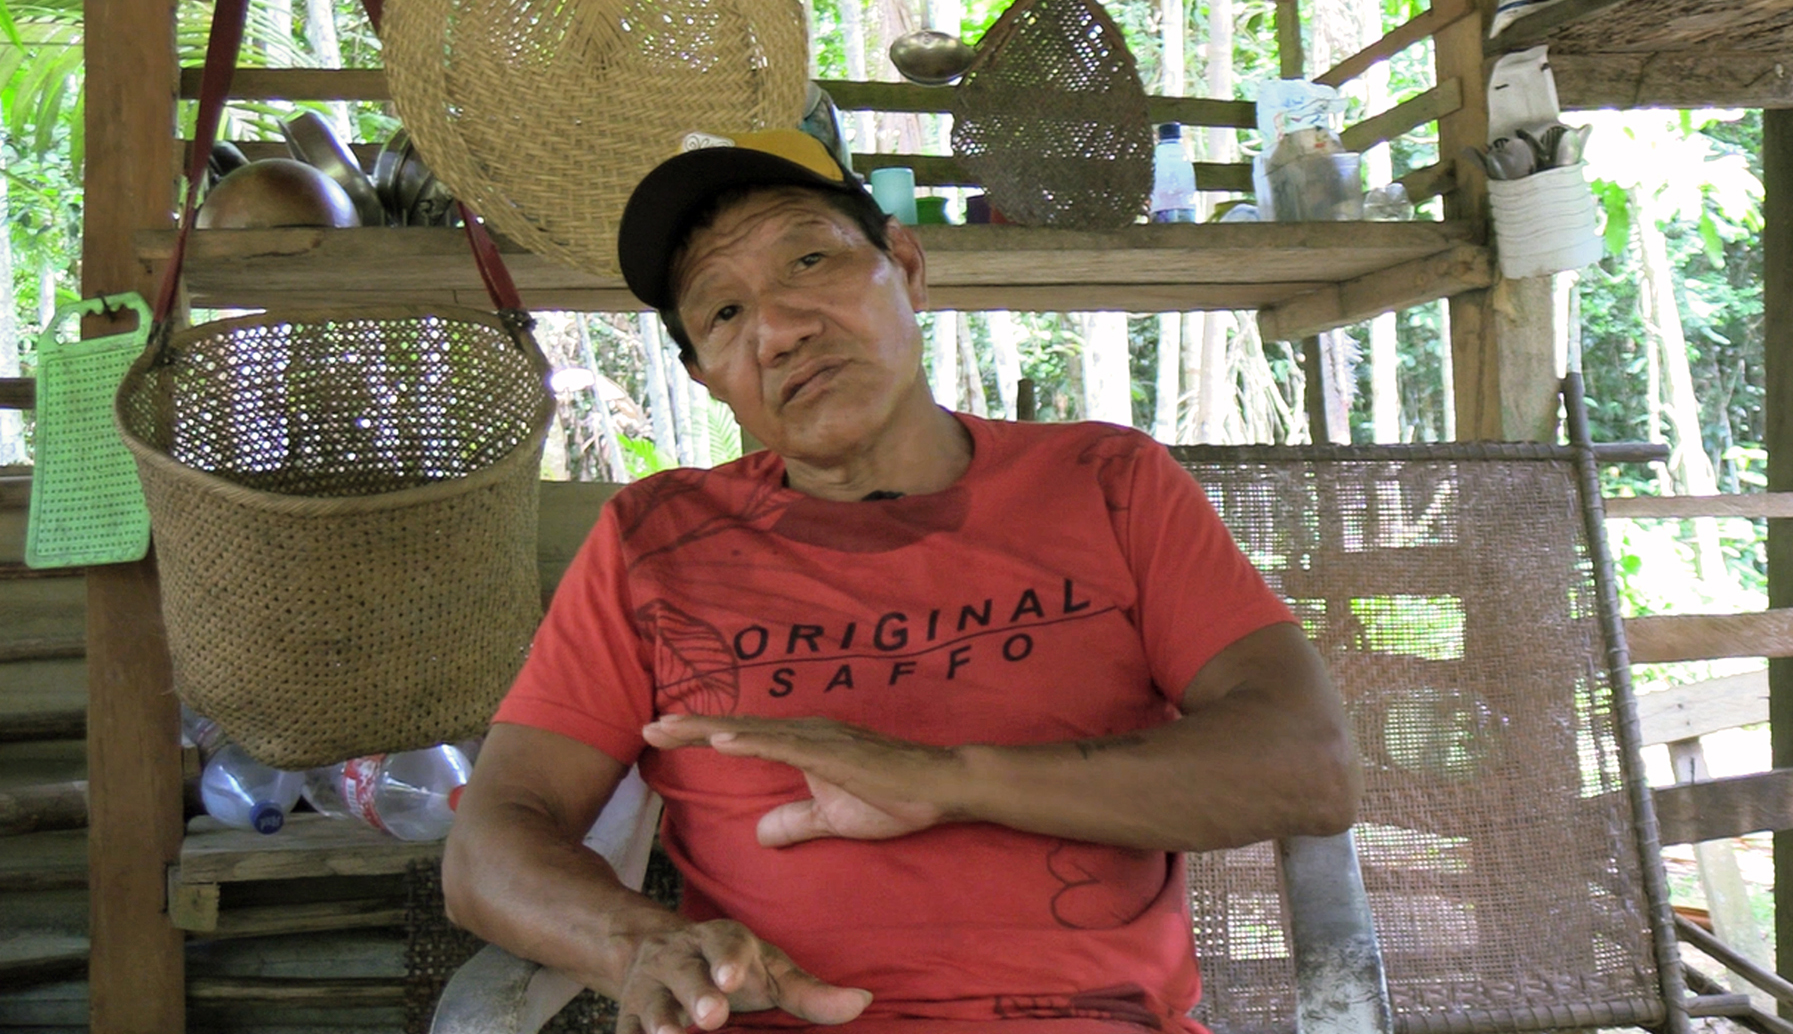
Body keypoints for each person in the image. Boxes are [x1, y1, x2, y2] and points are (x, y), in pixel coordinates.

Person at [443, 128, 1362, 1034]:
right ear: (705, 376)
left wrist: (946, 778)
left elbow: (1306, 766)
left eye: (809, 260)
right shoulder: (653, 541)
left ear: (908, 266)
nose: (780, 329)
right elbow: (490, 846)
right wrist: (638, 942)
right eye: (723, 313)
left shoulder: (1108, 483)